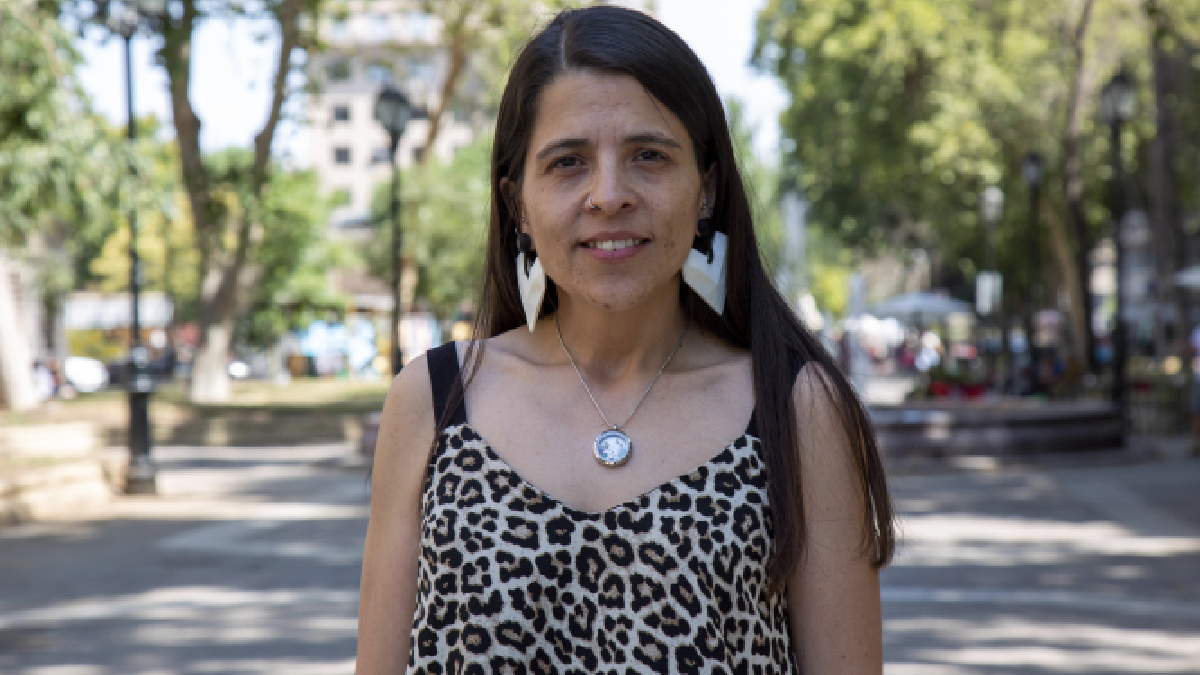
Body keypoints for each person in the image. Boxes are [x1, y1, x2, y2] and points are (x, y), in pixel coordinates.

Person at [357, 6, 895, 673]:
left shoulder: (796, 407)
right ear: (518, 204)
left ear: (706, 189)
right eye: (568, 162)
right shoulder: (433, 399)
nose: (609, 195)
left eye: (649, 156)